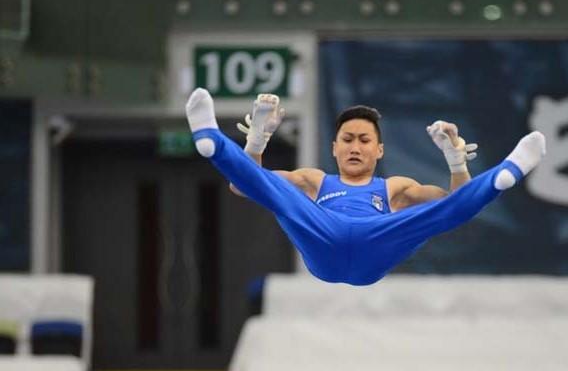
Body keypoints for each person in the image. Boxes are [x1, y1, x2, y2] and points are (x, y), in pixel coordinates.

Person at [186, 88, 546, 286]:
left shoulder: (395, 188)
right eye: (347, 139)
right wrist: (257, 142)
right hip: (323, 240)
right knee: (281, 196)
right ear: (334, 147)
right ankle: (212, 141)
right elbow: (245, 187)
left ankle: (505, 173)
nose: (355, 147)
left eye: (363, 140)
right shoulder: (314, 181)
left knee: (438, 215)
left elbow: (454, 204)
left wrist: (456, 161)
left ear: (379, 150)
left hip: (377, 243)